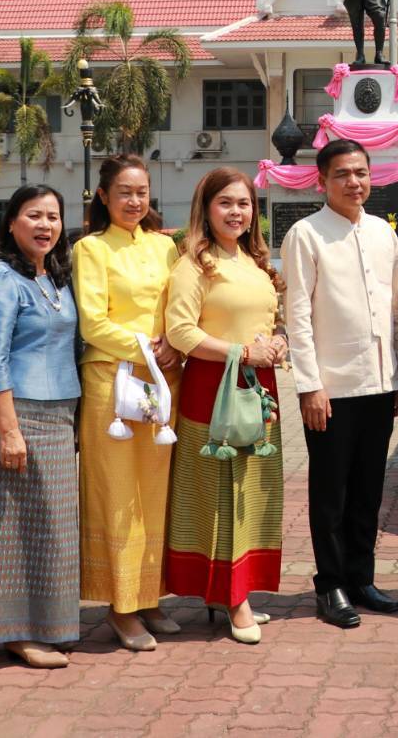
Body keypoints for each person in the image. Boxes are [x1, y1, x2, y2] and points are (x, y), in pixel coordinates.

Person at [282, 139, 398, 629]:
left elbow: (396, 308)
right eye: (342, 174)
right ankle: (330, 584)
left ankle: (361, 577)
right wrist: (309, 385)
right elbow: (297, 315)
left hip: (379, 385)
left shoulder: (382, 233)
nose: (354, 182)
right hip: (331, 391)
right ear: (322, 181)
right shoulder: (306, 234)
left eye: (360, 172)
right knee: (330, 491)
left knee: (368, 490)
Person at [163, 167, 286, 644]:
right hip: (215, 389)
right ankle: (234, 601)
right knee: (218, 494)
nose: (237, 212)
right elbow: (181, 332)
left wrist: (275, 344)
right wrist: (241, 353)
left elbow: (267, 319)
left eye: (244, 204)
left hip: (260, 388)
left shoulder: (255, 262)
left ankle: (236, 589)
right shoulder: (195, 265)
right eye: (226, 203)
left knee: (252, 494)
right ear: (206, 209)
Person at [72, 155, 183, 651]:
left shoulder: (164, 247)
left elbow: (175, 308)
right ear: (103, 196)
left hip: (161, 380)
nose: (135, 201)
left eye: (142, 191)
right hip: (111, 383)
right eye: (124, 192)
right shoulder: (90, 249)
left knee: (154, 490)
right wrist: (146, 346)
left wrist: (172, 344)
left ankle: (149, 593)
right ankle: (120, 606)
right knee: (117, 492)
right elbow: (93, 322)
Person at [0, 185, 81, 667]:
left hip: (59, 415)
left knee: (53, 528)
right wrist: (9, 430)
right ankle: (14, 632)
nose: (45, 225)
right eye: (33, 215)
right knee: (12, 527)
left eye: (53, 217)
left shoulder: (54, 277)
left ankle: (51, 624)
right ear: (11, 223)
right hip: (17, 415)